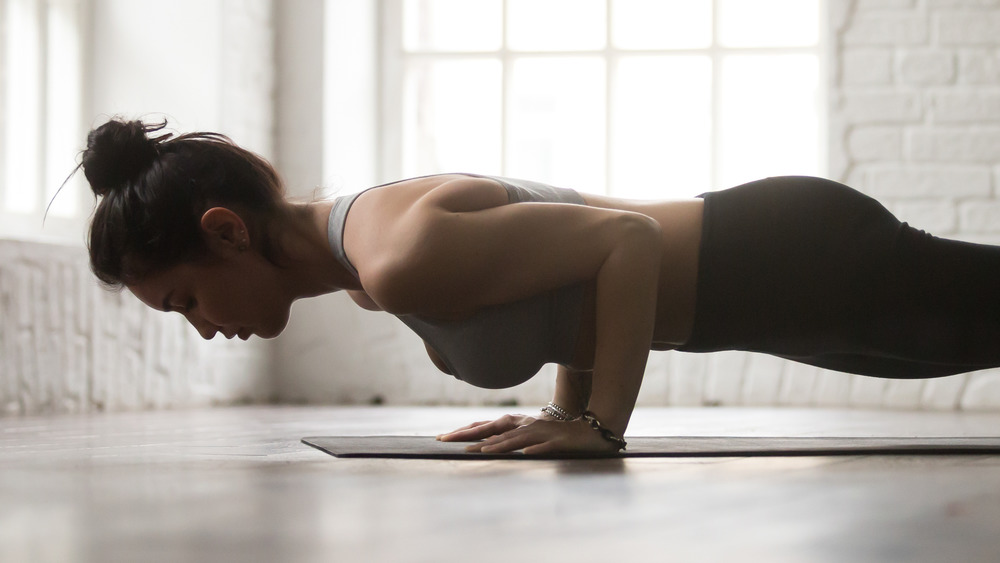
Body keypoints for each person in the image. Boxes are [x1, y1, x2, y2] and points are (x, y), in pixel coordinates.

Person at [79, 118, 1000, 455]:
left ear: (226, 231)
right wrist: (560, 413)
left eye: (185, 301)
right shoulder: (367, 267)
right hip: (772, 291)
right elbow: (570, 284)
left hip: (792, 258)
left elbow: (625, 244)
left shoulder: (393, 256)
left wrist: (600, 425)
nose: (202, 330)